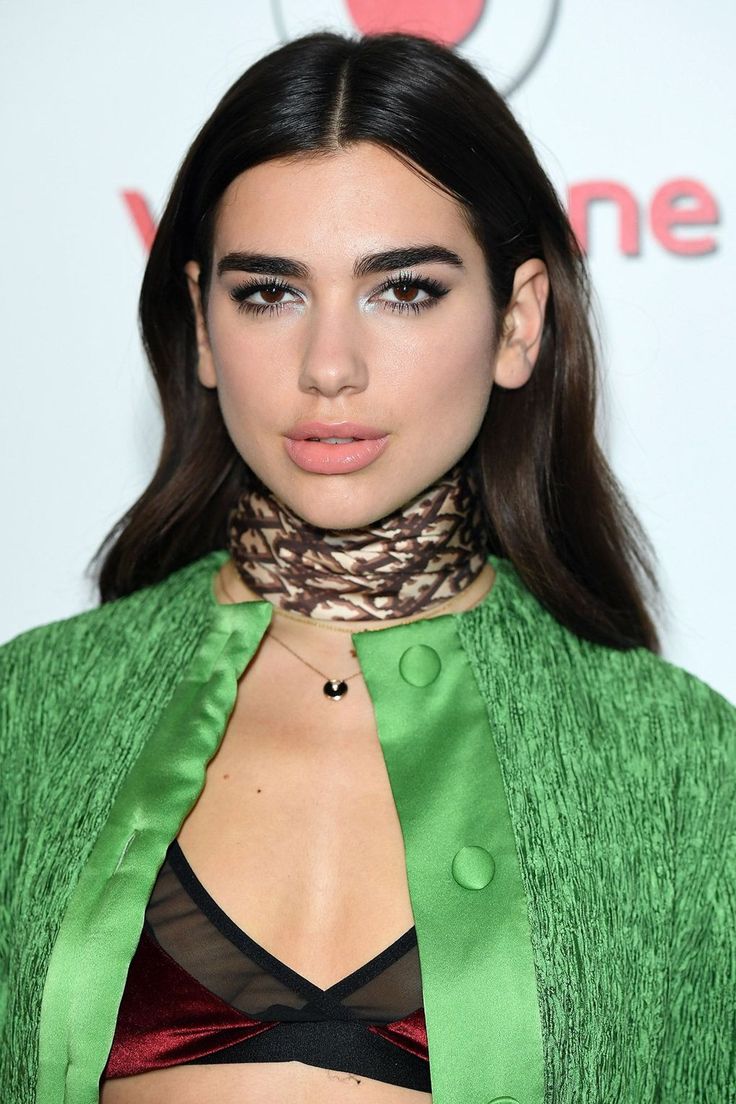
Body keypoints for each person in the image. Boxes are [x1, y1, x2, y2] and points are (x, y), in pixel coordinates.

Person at [1, 29, 734, 1104]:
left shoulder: (682, 769)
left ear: (517, 322)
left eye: (404, 292)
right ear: (202, 325)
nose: (328, 367)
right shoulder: (27, 715)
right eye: (268, 294)